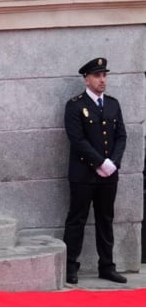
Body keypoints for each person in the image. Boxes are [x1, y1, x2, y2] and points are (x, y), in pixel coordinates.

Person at [63, 57, 127, 285]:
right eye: (97, 76)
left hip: (109, 175)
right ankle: (70, 266)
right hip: (83, 174)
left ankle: (107, 266)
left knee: (105, 219)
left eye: (104, 75)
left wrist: (113, 163)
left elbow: (121, 136)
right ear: (86, 79)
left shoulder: (112, 104)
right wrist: (100, 162)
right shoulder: (75, 105)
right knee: (77, 219)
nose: (102, 80)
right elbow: (78, 140)